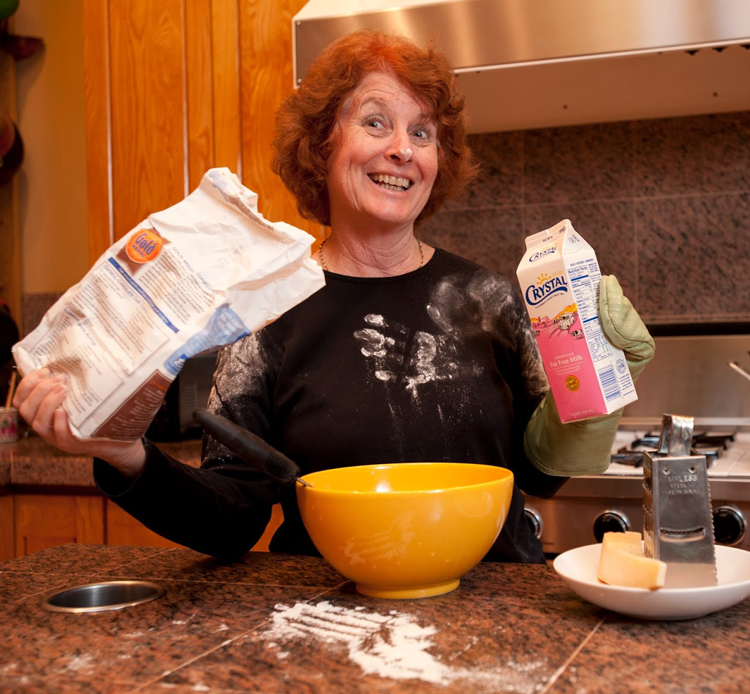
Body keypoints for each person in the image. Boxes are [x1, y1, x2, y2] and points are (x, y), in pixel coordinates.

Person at [13, 30, 654, 563]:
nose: (402, 149)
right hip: (323, 619)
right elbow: (232, 518)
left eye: (423, 133)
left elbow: (541, 475)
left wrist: (596, 385)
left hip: (484, 609)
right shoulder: (268, 315)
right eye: (375, 122)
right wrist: (125, 455)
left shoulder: (487, 298)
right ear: (322, 147)